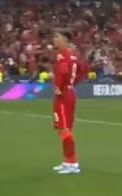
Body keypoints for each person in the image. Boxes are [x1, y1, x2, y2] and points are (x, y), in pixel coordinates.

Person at [52, 31, 81, 174]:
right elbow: (83, 71)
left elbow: (63, 73)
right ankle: (67, 161)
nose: (55, 40)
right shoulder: (72, 56)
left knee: (65, 129)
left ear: (65, 40)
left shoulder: (64, 57)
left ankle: (73, 163)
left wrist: (61, 87)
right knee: (62, 129)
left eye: (57, 37)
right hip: (68, 93)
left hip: (64, 95)